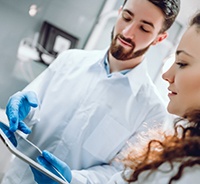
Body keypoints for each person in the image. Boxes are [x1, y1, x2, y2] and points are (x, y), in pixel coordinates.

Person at [1, 0, 180, 183]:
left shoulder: (152, 112)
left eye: (144, 28)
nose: (127, 32)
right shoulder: (69, 60)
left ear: (159, 38)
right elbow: (30, 112)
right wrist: (22, 111)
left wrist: (72, 180)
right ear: (119, 12)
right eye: (127, 17)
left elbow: (123, 174)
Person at [106, 11, 200, 184]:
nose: (166, 75)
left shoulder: (191, 174)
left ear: (159, 38)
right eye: (126, 17)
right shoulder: (182, 149)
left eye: (182, 63)